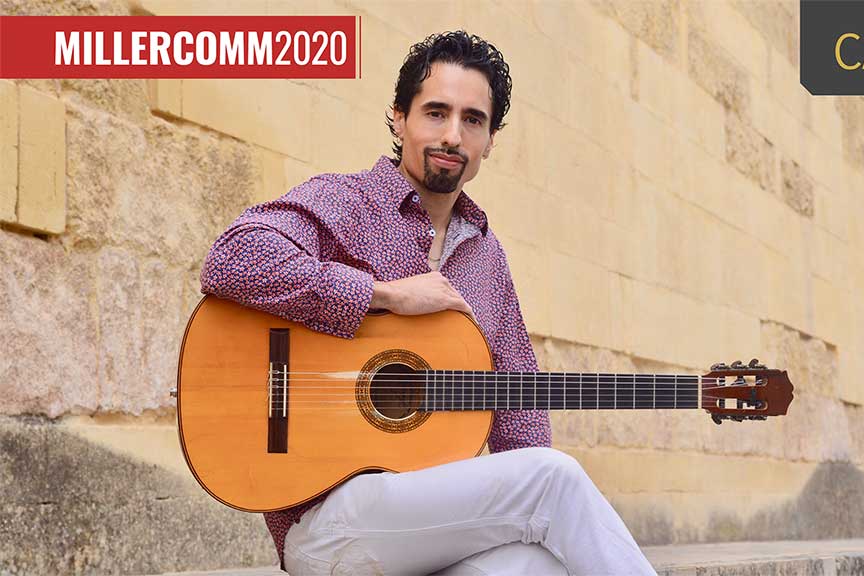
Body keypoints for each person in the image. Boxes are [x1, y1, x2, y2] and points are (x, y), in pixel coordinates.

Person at [200, 30, 657, 576]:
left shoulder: (486, 259)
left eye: (472, 120)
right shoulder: (346, 201)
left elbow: (521, 415)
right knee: (553, 478)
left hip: (427, 528)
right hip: (326, 521)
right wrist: (382, 295)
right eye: (435, 112)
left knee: (540, 565)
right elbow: (232, 258)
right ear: (399, 118)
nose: (452, 135)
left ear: (490, 141)